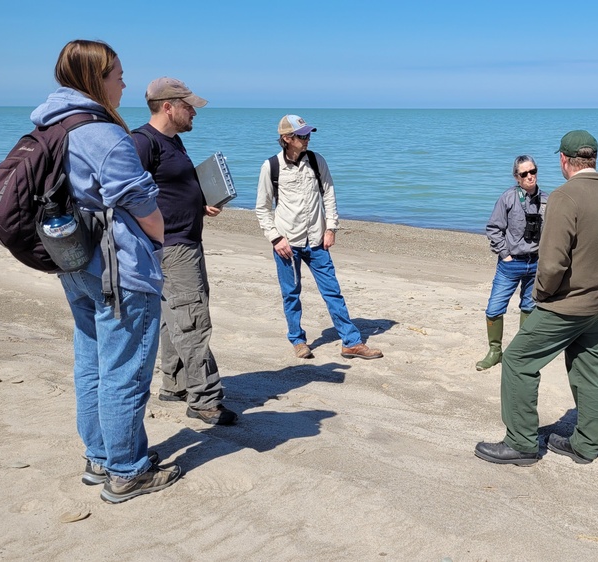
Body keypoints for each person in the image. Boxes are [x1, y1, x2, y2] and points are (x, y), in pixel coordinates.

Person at [30, 39, 181, 503]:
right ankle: (126, 470)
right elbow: (141, 202)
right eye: (117, 74)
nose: (124, 82)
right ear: (95, 79)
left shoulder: (53, 124)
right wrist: (158, 238)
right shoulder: (103, 132)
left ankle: (100, 457)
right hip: (117, 267)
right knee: (125, 369)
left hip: (75, 260)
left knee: (92, 363)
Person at [475, 130, 598, 466]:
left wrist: (542, 294)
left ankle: (521, 443)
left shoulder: (564, 197)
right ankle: (587, 445)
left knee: (517, 361)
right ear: (593, 159)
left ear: (564, 160)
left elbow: (553, 260)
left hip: (569, 304)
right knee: (590, 366)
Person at [132, 77, 237, 426]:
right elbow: (128, 197)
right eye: (189, 106)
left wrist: (198, 202)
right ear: (168, 107)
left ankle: (175, 384)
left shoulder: (172, 141)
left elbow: (166, 190)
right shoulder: (143, 142)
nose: (194, 112)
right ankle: (205, 399)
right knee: (193, 321)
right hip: (173, 247)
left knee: (173, 317)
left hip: (182, 242)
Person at [255, 115, 383, 361]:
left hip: (316, 240)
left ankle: (351, 342)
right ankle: (298, 341)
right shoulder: (270, 166)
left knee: (332, 291)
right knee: (291, 293)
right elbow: (262, 208)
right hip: (286, 243)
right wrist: (275, 238)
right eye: (301, 135)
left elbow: (329, 194)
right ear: (286, 139)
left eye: (308, 134)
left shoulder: (317, 160)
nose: (307, 138)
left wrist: (331, 227)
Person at [476, 155, 548, 371]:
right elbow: (493, 228)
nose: (530, 176)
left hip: (535, 264)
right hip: (510, 264)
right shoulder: (508, 198)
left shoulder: (546, 200)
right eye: (524, 173)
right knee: (494, 309)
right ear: (517, 177)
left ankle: (521, 353)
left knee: (529, 306)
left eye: (532, 171)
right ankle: (495, 351)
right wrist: (505, 254)